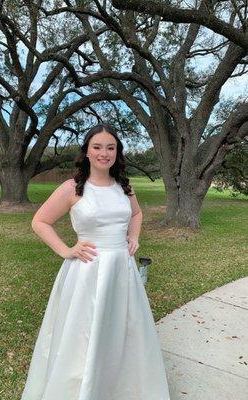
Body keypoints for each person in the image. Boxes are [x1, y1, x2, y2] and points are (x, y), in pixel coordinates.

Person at [20, 123, 171, 400]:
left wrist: (134, 237)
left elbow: (135, 215)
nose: (104, 153)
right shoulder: (72, 188)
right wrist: (66, 250)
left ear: (117, 152)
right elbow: (40, 221)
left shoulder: (125, 187)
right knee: (82, 337)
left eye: (110, 147)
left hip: (121, 272)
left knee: (123, 333)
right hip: (86, 273)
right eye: (97, 147)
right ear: (87, 152)